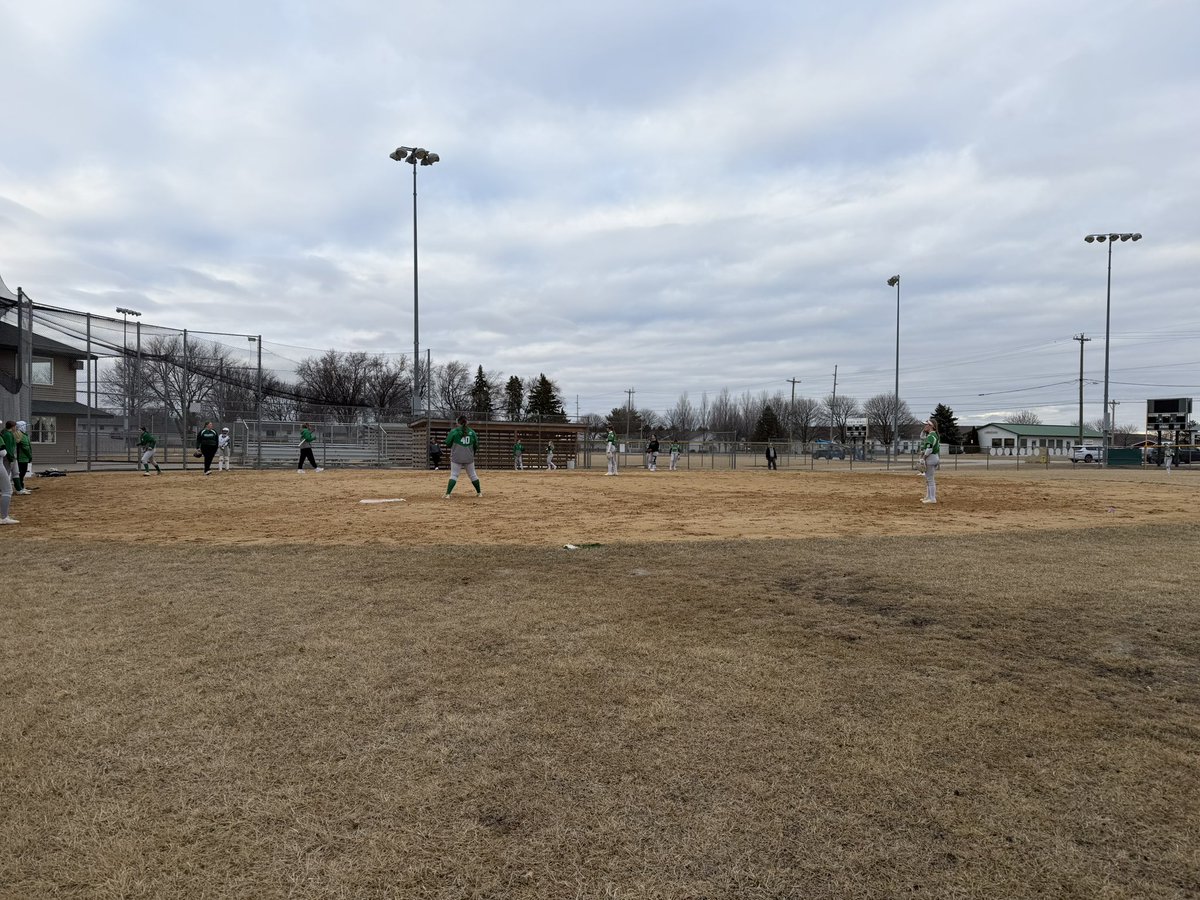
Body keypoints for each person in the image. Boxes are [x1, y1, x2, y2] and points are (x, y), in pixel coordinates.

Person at [443, 414, 482, 498]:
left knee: (454, 475)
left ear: (458, 422)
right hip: (469, 457)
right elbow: (476, 445)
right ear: (467, 422)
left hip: (456, 456)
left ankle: (448, 494)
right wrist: (472, 454)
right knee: (473, 475)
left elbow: (448, 443)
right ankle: (479, 493)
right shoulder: (472, 432)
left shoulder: (454, 431)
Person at [919, 420, 940, 504]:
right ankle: (929, 497)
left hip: (931, 458)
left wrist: (923, 458)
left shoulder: (931, 436)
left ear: (931, 426)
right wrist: (924, 430)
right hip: (934, 458)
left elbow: (929, 449)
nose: (924, 426)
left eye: (926, 425)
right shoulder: (933, 435)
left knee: (930, 479)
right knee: (928, 479)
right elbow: (922, 437)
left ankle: (932, 498)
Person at [0, 421, 17, 524]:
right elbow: (3, 452)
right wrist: (10, 457)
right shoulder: (4, 436)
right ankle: (4, 517)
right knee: (7, 490)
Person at [15, 421, 32, 493]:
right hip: (22, 458)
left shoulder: (22, 434)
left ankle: (21, 487)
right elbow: (25, 447)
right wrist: (29, 456)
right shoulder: (20, 434)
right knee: (21, 473)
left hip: (23, 457)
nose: (26, 428)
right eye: (25, 426)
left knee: (22, 473)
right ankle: (20, 488)